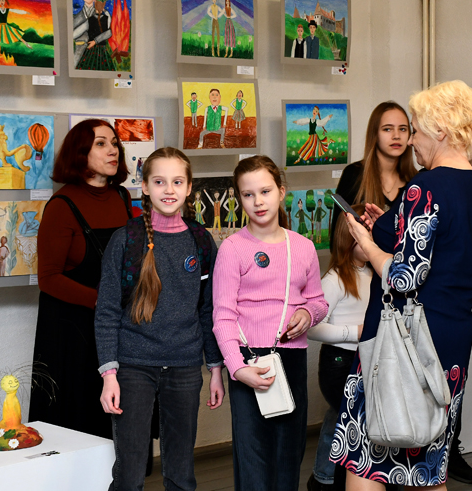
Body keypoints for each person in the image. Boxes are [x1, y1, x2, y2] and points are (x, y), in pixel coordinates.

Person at [333, 80, 472, 489]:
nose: (410, 141)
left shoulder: (427, 185)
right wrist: (387, 227)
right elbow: (446, 250)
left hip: (403, 340)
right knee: (427, 464)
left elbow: (405, 277)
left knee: (364, 460)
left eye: (416, 130)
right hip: (451, 337)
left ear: (440, 130)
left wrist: (368, 243)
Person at [95, 147, 225, 490]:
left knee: (181, 472)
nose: (169, 190)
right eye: (159, 181)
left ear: (189, 187)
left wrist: (215, 368)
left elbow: (208, 309)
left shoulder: (201, 241)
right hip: (133, 366)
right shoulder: (126, 240)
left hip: (185, 365)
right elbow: (107, 311)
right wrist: (109, 374)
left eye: (177, 182)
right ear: (145, 186)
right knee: (130, 471)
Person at [213, 156, 328, 491]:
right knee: (254, 458)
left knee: (288, 455)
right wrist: (237, 368)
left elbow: (318, 302)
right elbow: (222, 316)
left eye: (265, 191)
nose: (258, 201)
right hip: (248, 361)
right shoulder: (232, 249)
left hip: (291, 359)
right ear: (239, 199)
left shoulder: (303, 247)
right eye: (248, 194)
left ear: (281, 191)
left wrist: (308, 314)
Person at [31, 119, 131, 440]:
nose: (112, 150)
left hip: (115, 327)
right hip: (72, 332)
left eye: (114, 143)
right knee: (77, 420)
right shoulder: (61, 205)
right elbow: (48, 278)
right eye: (101, 143)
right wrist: (102, 302)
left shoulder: (122, 197)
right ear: (80, 152)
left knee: (119, 417)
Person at [306, 204, 370, 491]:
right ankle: (324, 479)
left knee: (344, 418)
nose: (370, 241)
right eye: (364, 235)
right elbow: (312, 328)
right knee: (342, 417)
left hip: (365, 359)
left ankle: (333, 478)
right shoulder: (334, 279)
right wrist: (354, 333)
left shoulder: (374, 274)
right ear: (349, 237)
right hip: (339, 363)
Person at [330, 101, 417, 252]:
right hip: (361, 265)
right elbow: (337, 240)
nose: (396, 136)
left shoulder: (417, 181)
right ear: (374, 134)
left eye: (403, 129)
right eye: (387, 129)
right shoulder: (354, 174)